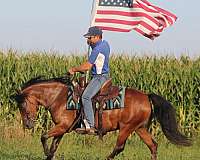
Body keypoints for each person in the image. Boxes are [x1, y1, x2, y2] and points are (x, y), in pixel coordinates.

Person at [68, 26, 110, 135]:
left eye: (90, 38)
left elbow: (87, 66)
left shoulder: (97, 49)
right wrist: (91, 44)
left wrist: (74, 69)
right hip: (101, 75)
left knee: (85, 97)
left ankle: (91, 125)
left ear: (97, 37)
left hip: (99, 77)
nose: (88, 40)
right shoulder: (104, 44)